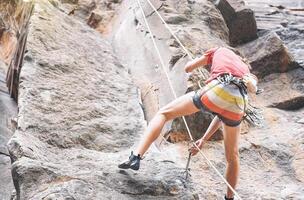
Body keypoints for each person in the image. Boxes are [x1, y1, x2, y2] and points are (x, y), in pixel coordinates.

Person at [118, 47, 258, 200]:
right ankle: (229, 197)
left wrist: (205, 59)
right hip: (239, 103)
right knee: (232, 156)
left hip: (218, 89)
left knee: (164, 114)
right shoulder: (245, 71)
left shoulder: (218, 50)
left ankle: (136, 156)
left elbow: (187, 68)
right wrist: (203, 140)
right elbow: (222, 115)